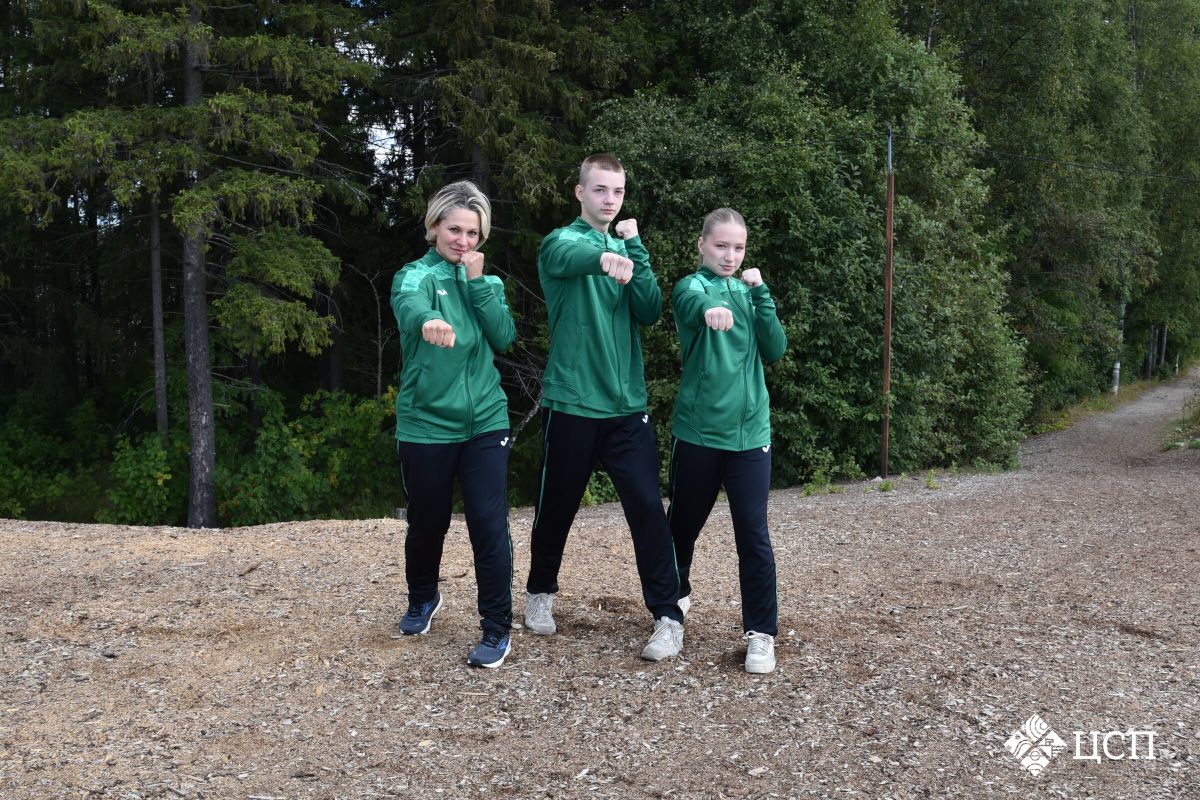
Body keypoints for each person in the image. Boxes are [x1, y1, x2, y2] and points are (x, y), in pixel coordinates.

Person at [523, 153, 685, 661]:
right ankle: (539, 591)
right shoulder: (560, 241)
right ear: (580, 192)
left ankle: (668, 616)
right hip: (572, 401)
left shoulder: (627, 246)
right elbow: (567, 255)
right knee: (556, 507)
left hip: (625, 406)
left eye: (616, 191)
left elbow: (650, 309)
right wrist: (602, 258)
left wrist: (634, 251)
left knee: (648, 510)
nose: (609, 200)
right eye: (599, 190)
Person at [390, 180, 516, 669]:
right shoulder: (415, 276)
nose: (463, 241)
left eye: (473, 233)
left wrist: (478, 284)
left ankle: (496, 626)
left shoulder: (489, 283)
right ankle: (423, 597)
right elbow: (408, 303)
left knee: (488, 524)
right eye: (455, 230)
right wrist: (427, 319)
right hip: (426, 423)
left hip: (486, 419)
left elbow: (503, 336)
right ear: (435, 227)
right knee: (428, 522)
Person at [666, 208, 787, 674]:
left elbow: (774, 348)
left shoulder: (749, 292)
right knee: (681, 529)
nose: (729, 255)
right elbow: (689, 303)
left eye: (738, 247)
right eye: (721, 245)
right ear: (702, 245)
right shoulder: (691, 286)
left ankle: (761, 634)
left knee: (753, 537)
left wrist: (762, 294)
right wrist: (708, 310)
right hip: (698, 433)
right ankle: (670, 612)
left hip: (750, 436)